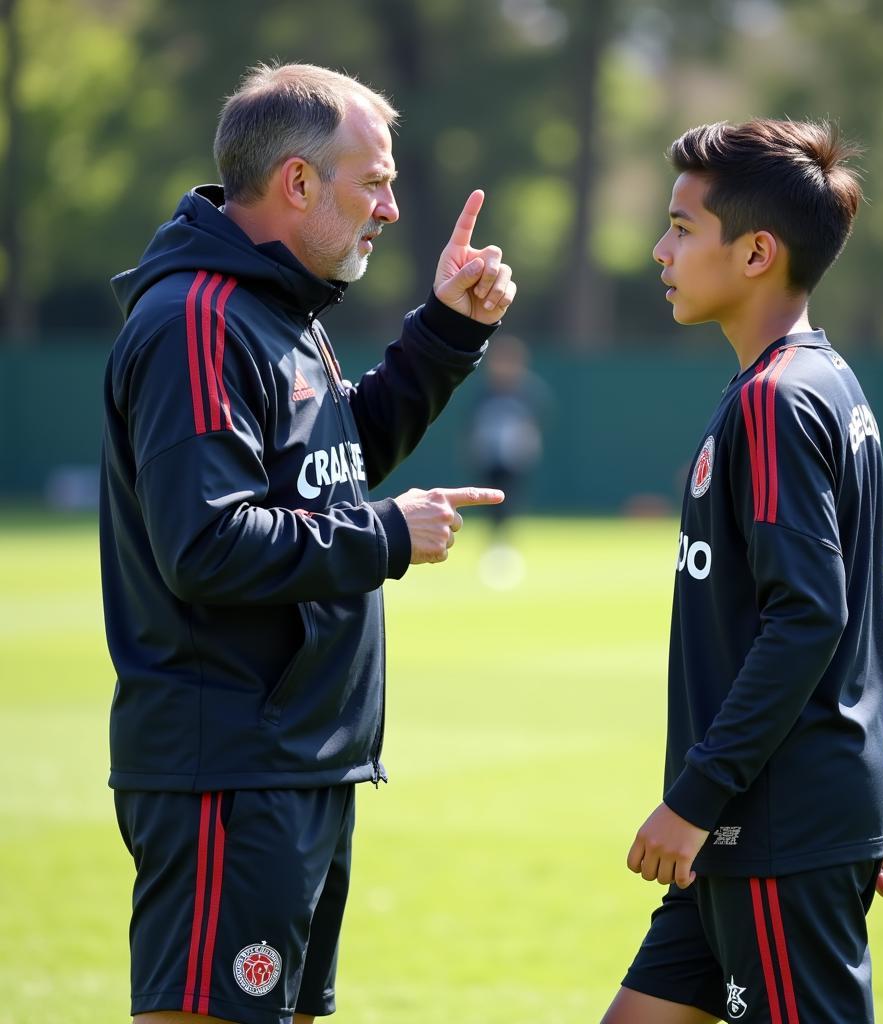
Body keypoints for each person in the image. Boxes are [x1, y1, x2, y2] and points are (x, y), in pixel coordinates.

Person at [99, 63, 515, 1024]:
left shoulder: (277, 306)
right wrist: (386, 536)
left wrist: (447, 334)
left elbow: (331, 468)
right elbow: (206, 544)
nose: (392, 207)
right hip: (230, 774)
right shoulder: (198, 320)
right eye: (374, 182)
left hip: (296, 767)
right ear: (296, 182)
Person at [601, 120, 883, 1024]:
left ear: (754, 253)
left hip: (769, 826)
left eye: (680, 228)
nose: (660, 250)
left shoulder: (779, 400)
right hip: (748, 829)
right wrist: (882, 788)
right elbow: (878, 603)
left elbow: (813, 618)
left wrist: (695, 799)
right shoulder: (827, 384)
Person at [466, 334, 548, 585]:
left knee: (509, 505)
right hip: (489, 459)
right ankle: (493, 550)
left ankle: (504, 551)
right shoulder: (485, 393)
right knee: (490, 508)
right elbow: (472, 426)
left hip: (513, 460)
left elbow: (534, 425)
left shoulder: (526, 393)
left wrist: (528, 448)